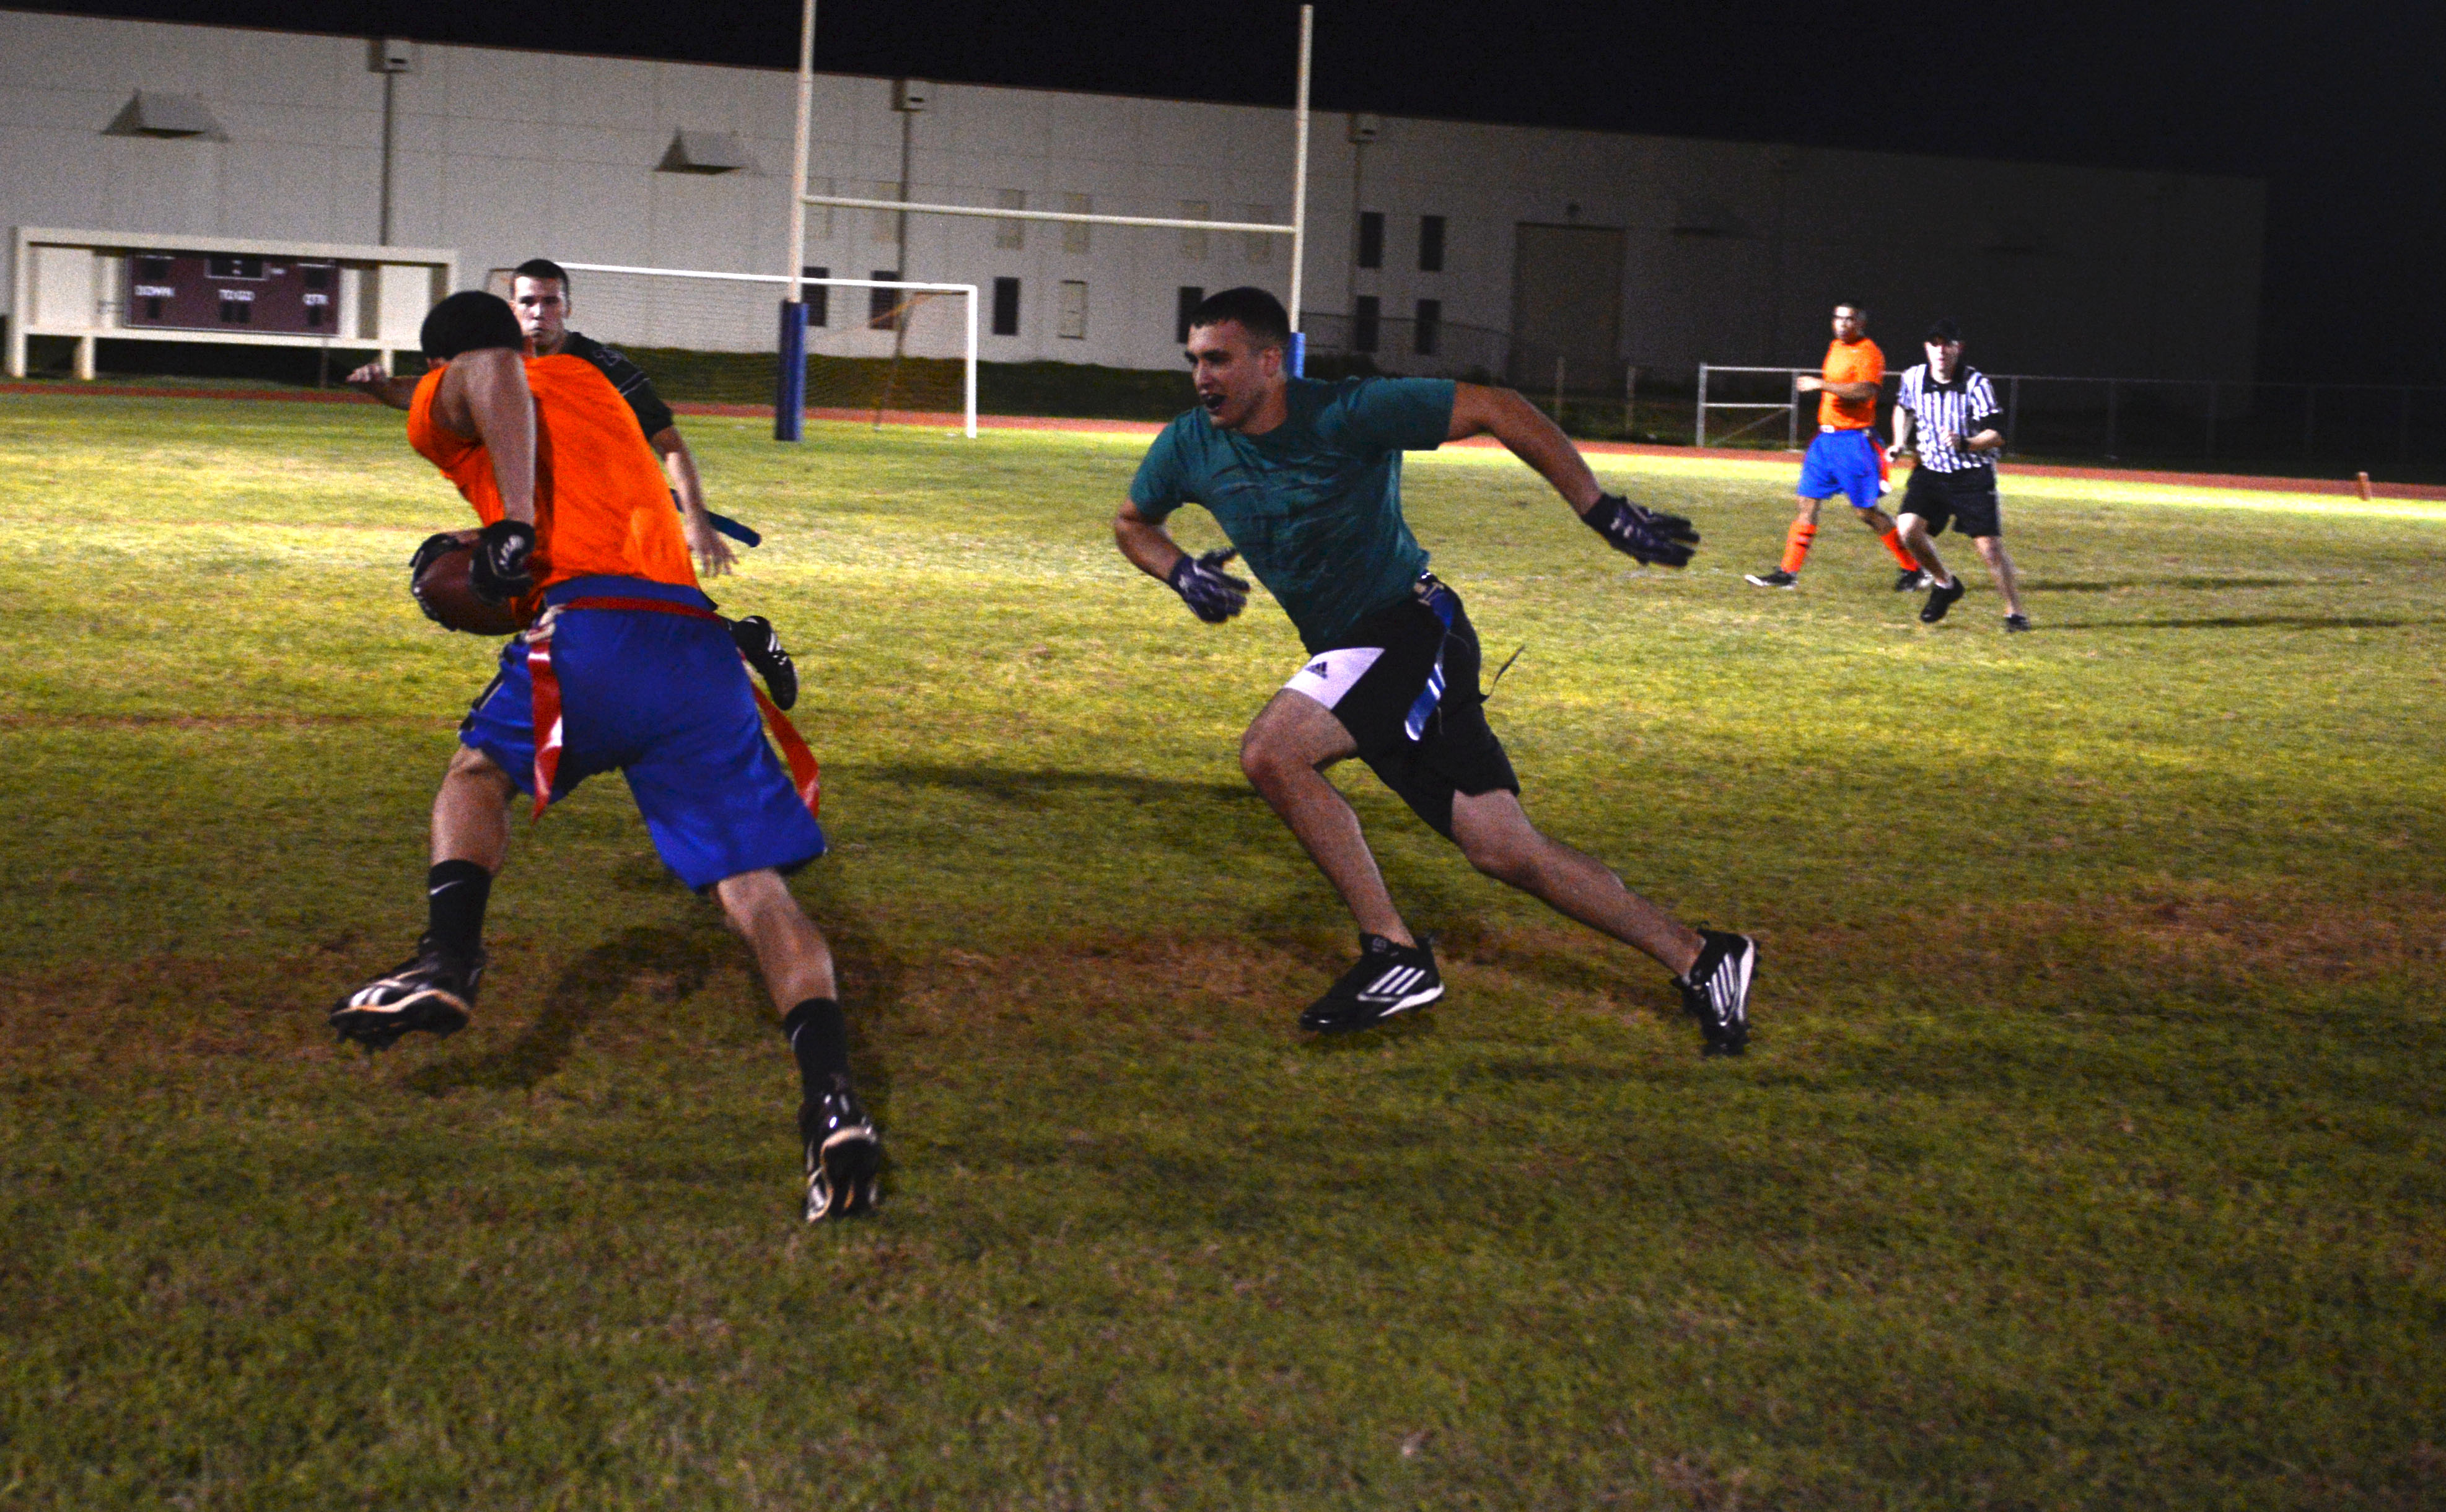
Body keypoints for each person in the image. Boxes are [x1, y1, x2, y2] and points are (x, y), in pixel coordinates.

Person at [329, 291, 880, 1223]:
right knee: (756, 891)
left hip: (594, 636)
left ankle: (447, 958)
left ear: (440, 368)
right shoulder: (587, 381)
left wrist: (504, 533)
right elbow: (533, 415)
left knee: (475, 776)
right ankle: (835, 1102)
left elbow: (489, 372)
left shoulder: (470, 385)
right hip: (696, 650)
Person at [1114, 287, 1757, 1053]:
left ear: (1271, 361)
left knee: (1272, 751)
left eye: (1217, 358)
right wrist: (1180, 572)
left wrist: (1598, 507)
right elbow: (1132, 523)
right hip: (1356, 654)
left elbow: (1498, 406)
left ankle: (1394, 953)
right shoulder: (1190, 443)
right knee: (1504, 848)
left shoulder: (1347, 413)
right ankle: (1704, 956)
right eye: (1194, 360)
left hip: (1409, 628)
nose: (1201, 376)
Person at [348, 260, 798, 707]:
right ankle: (735, 642)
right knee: (629, 614)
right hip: (561, 503)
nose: (539, 312)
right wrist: (385, 390)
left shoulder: (597, 368)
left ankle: (710, 647)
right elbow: (451, 386)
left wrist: (697, 521)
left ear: (567, 306)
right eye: (528, 302)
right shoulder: (492, 362)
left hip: (622, 499)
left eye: (550, 301)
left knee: (629, 602)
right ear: (512, 309)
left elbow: (671, 444)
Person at [1745, 302, 1924, 592]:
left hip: (1854, 442)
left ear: (1861, 324)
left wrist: (1822, 385)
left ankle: (1914, 569)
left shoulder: (1869, 352)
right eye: (1838, 318)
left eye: (1849, 319)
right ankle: (1787, 573)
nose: (1842, 324)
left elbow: (1867, 390)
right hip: (1825, 442)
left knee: (1866, 512)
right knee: (1806, 503)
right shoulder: (1835, 347)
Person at [1889, 320, 2029, 630]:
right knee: (1907, 529)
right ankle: (1945, 584)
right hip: (1932, 470)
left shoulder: (1975, 383)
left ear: (1958, 349)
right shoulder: (1913, 377)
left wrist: (1967, 443)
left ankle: (2015, 613)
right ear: (1927, 347)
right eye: (1934, 343)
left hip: (1972, 473)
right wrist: (1899, 442)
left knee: (1989, 548)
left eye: (1947, 344)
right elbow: (1903, 408)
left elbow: (1997, 433)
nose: (1940, 350)